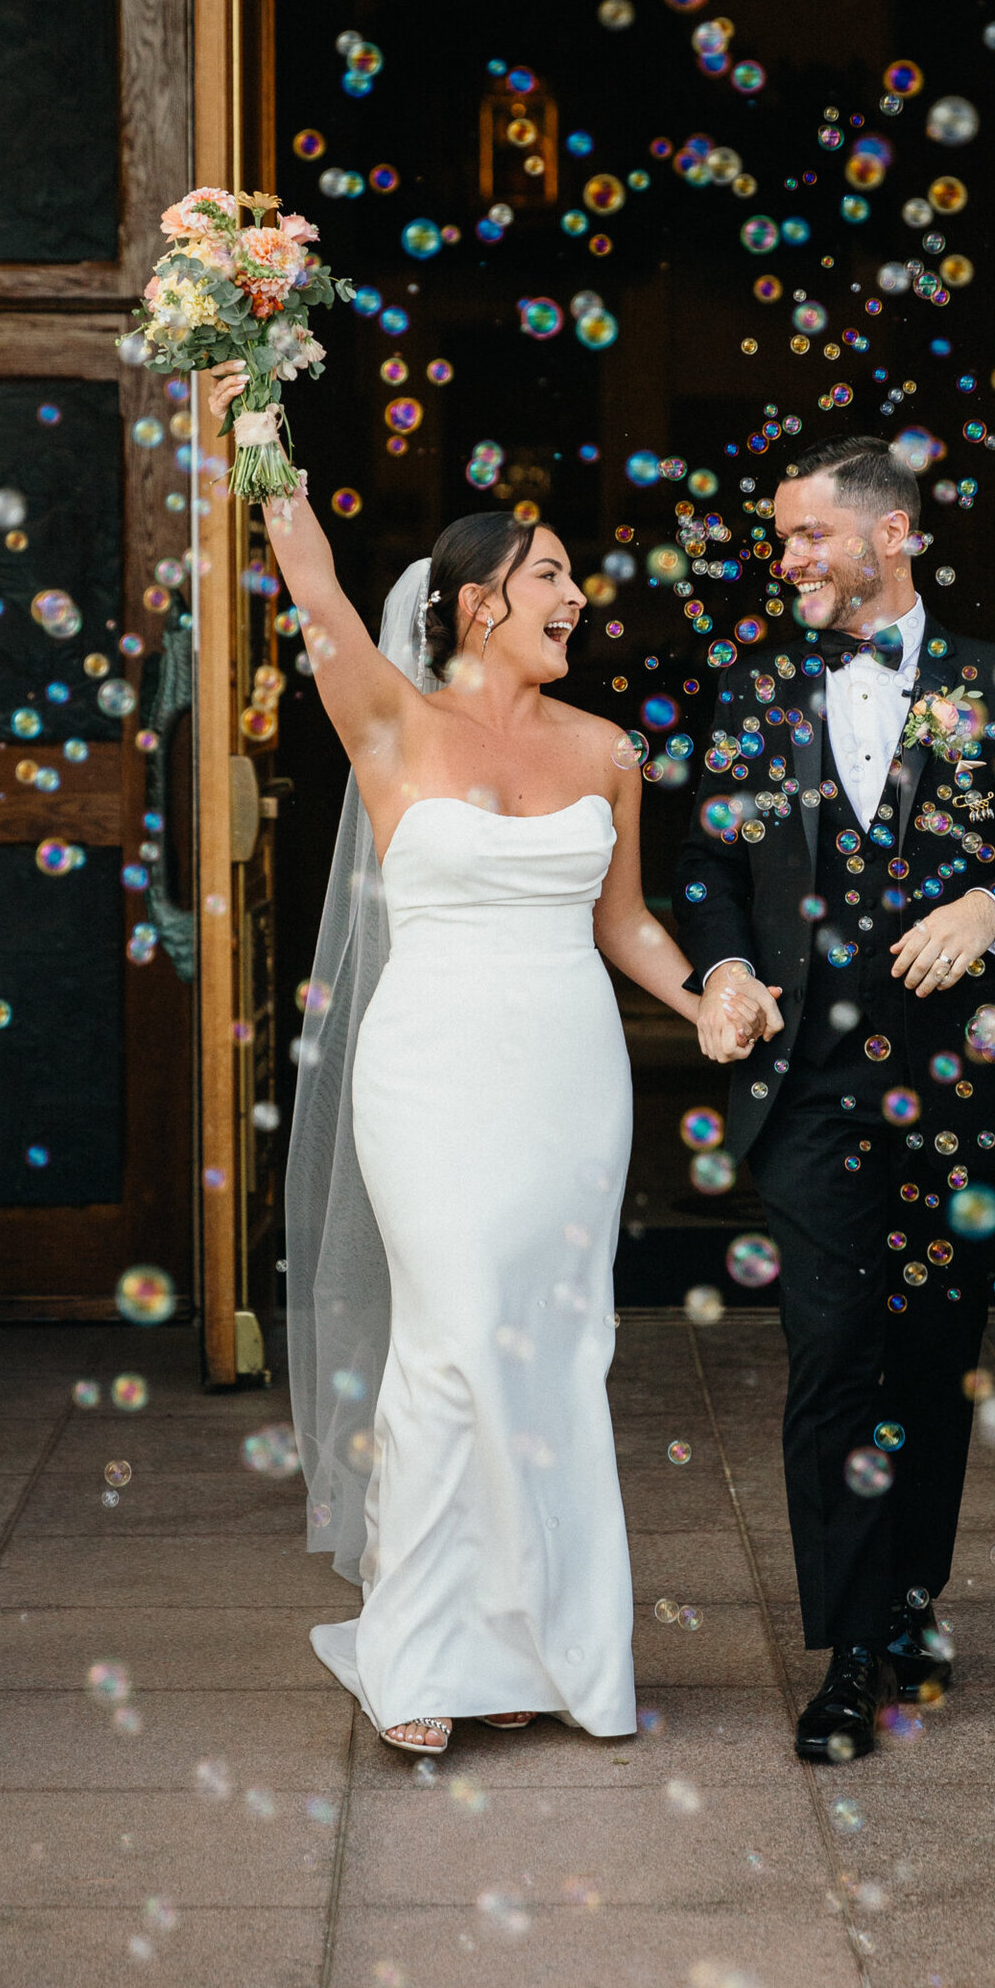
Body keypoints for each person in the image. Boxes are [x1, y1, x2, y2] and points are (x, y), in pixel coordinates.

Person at [204, 360, 763, 1758]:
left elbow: (624, 922)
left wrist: (703, 996)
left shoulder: (607, 751)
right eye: (556, 576)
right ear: (477, 601)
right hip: (433, 1073)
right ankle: (424, 1655)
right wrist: (255, 411)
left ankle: (547, 1651)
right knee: (451, 1339)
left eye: (580, 580)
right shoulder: (389, 722)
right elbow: (312, 577)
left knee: (556, 1351)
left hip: (569, 1082)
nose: (581, 598)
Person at [675, 434, 995, 1762]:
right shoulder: (750, 688)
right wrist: (727, 968)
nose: (785, 555)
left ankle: (912, 1606)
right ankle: (852, 1653)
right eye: (780, 533)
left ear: (894, 533)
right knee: (834, 1353)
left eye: (808, 534)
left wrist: (994, 901)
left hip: (956, 1084)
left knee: (932, 1352)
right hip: (809, 1089)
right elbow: (711, 867)